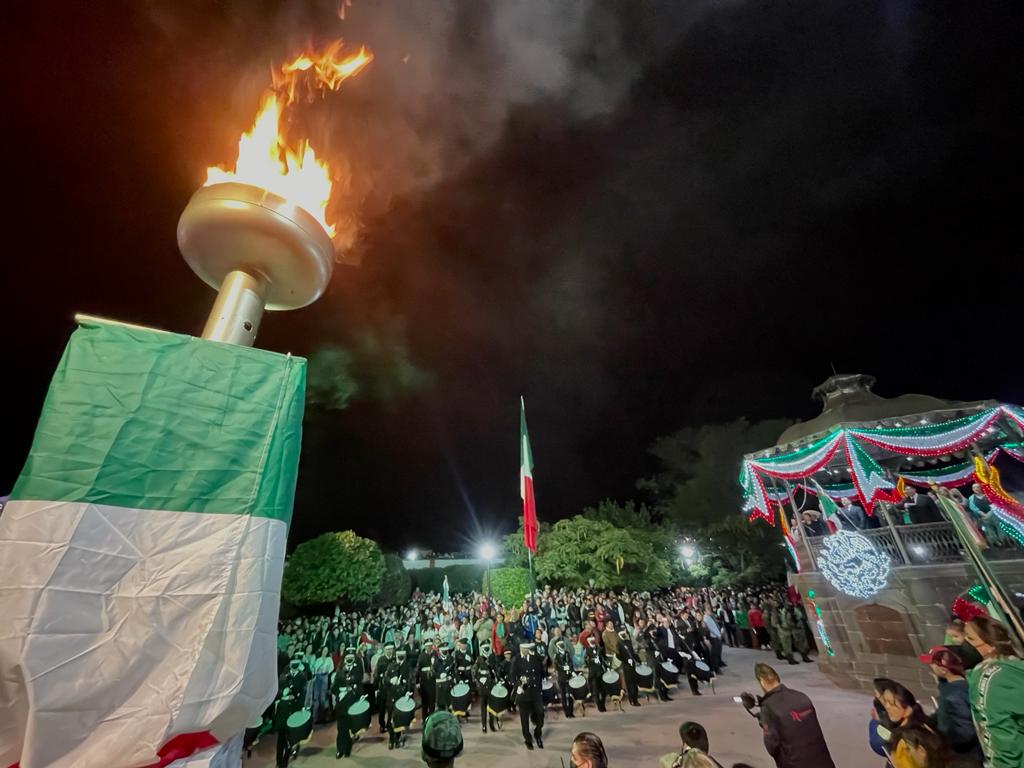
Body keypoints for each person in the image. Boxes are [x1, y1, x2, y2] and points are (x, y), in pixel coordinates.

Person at [746, 662, 835, 768]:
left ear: (762, 681)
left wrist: (764, 723)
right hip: (823, 761)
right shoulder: (801, 696)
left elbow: (771, 746)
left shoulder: (768, 707)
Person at [964, 616, 1024, 767]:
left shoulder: (988, 679)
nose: (963, 643)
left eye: (970, 638)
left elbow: (1001, 741)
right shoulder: (1015, 667)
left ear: (990, 645)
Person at [918, 646, 981, 760]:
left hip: (965, 757)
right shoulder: (956, 686)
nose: (930, 666)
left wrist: (940, 740)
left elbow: (965, 733)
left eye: (932, 664)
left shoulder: (953, 696)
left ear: (943, 670)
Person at [510, 641, 546, 749]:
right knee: (524, 719)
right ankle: (528, 739)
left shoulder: (535, 659)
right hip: (524, 692)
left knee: (540, 715)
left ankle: (538, 734)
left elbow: (542, 673)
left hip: (535, 692)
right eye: (526, 649)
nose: (528, 651)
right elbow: (512, 676)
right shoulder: (516, 660)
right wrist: (519, 684)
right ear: (522, 649)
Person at [273, 686, 300, 768]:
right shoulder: (292, 703)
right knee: (288, 744)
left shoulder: (278, 703)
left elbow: (274, 716)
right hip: (288, 727)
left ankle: (278, 762)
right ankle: (284, 763)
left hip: (280, 727)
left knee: (280, 744)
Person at [615, 627, 642, 706]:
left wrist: (638, 660)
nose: (624, 634)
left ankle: (635, 699)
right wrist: (626, 660)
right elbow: (618, 655)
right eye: (622, 633)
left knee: (635, 682)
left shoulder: (628, 642)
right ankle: (631, 699)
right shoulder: (618, 643)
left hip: (633, 664)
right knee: (629, 683)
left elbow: (633, 653)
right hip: (626, 665)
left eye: (624, 632)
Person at [472, 643, 495, 733]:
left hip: (490, 685)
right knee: (483, 707)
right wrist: (479, 679)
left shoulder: (492, 658)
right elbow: (474, 671)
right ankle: (484, 726)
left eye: (487, 647)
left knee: (492, 707)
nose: (486, 648)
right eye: (484, 647)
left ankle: (491, 724)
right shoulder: (479, 659)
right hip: (482, 687)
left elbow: (495, 670)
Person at [553, 638, 577, 717]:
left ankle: (571, 712)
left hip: (569, 676)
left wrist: (572, 670)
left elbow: (571, 663)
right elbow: (556, 666)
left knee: (570, 694)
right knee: (563, 695)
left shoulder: (567, 654)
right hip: (562, 677)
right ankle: (566, 712)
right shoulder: (556, 656)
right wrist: (563, 668)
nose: (562, 647)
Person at [585, 635, 608, 712]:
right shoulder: (587, 650)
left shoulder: (599, 649)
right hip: (593, 673)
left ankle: (603, 704)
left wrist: (606, 666)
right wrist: (592, 660)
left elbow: (604, 658)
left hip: (601, 672)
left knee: (604, 690)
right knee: (596, 691)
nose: (593, 642)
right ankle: (599, 706)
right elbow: (586, 661)